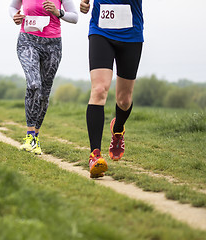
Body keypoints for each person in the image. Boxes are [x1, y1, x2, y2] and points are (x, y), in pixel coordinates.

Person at [80, 0, 144, 178]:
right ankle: (95, 156)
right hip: (101, 31)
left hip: (131, 34)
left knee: (124, 100)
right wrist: (84, 3)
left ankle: (118, 129)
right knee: (99, 90)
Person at [9, 0, 78, 155]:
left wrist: (58, 12)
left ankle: (36, 137)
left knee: (44, 93)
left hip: (53, 45)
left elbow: (74, 17)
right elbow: (12, 7)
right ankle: (29, 135)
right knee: (34, 84)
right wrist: (15, 16)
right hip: (27, 41)